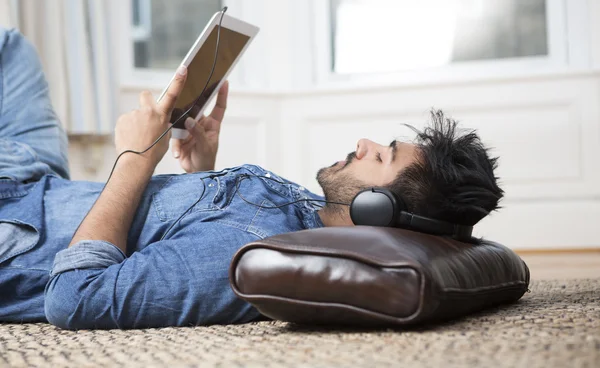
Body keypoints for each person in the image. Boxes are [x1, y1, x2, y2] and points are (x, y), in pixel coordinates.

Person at [0, 29, 503, 330]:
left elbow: (76, 298)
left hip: (18, 227)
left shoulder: (250, 255)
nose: (365, 143)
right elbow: (181, 231)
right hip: (37, 178)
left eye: (382, 157)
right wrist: (200, 171)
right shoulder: (314, 212)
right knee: (10, 45)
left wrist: (135, 159)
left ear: (380, 211)